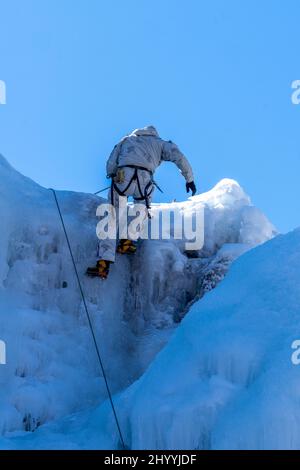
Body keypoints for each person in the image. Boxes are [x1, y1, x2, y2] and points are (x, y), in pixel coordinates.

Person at [87, 126, 196, 279]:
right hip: (145, 179)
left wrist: (111, 173)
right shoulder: (160, 143)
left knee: (112, 217)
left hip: (123, 176)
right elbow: (179, 157)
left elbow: (112, 160)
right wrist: (189, 179)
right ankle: (128, 241)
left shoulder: (127, 139)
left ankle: (103, 263)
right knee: (141, 209)